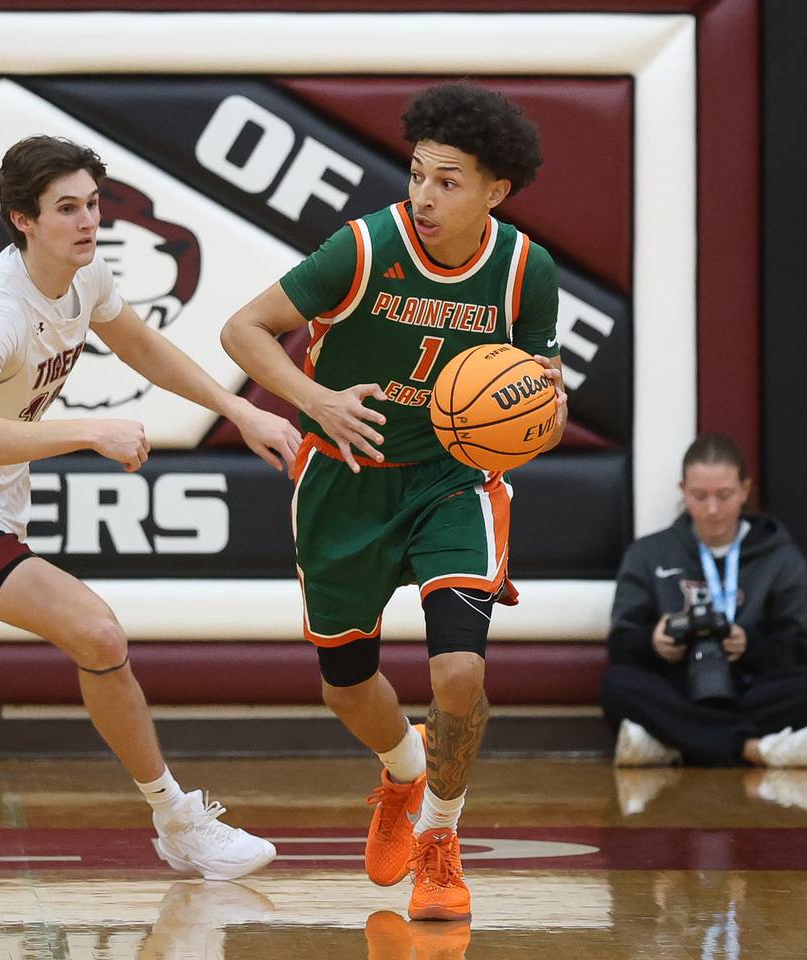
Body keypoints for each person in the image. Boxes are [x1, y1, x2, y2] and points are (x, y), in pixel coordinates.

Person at [0, 135, 301, 880]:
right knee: (99, 634)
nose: (88, 222)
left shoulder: (85, 277)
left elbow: (142, 347)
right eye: (67, 209)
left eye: (94, 204)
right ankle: (178, 820)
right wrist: (89, 431)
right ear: (21, 218)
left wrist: (237, 411)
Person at [221, 81, 567, 922]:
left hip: (454, 481)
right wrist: (316, 399)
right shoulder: (364, 249)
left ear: (496, 191)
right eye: (417, 173)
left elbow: (544, 417)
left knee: (459, 672)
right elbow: (242, 331)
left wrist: (532, 420)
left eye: (448, 180)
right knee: (346, 684)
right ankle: (404, 773)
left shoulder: (526, 270)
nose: (424, 194)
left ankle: (442, 840)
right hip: (347, 477)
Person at [601, 434, 807, 770]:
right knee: (617, 686)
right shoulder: (648, 553)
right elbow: (622, 644)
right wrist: (654, 641)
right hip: (679, 684)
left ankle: (673, 743)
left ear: (744, 490)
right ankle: (753, 749)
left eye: (724, 495)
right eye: (699, 496)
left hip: (748, 687)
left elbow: (801, 651)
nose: (712, 510)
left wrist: (749, 646)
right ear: (683, 491)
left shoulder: (780, 557)